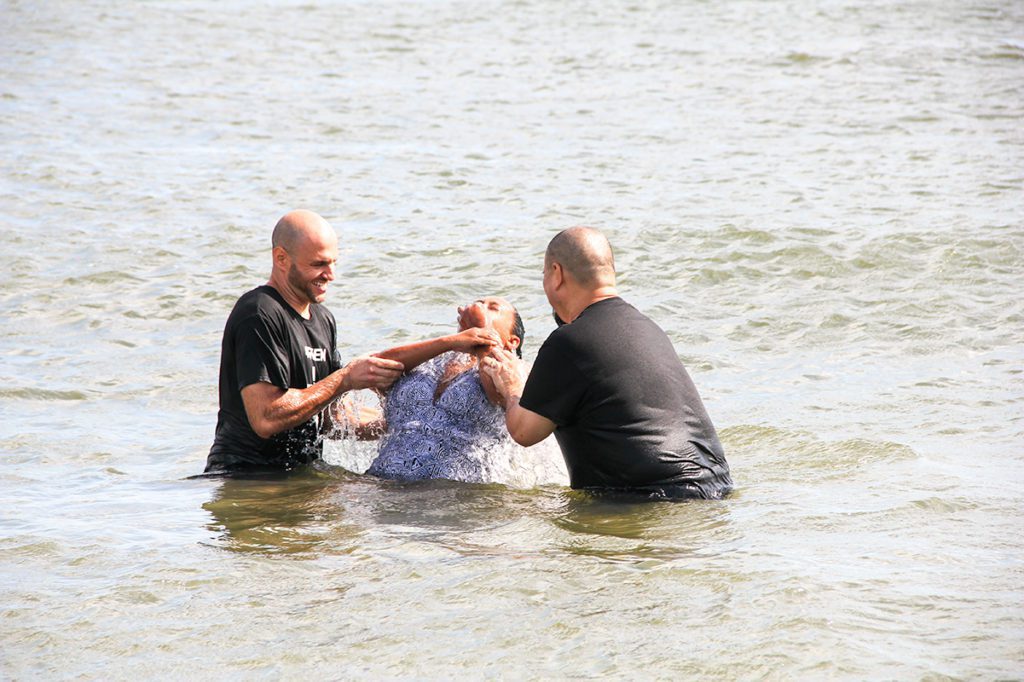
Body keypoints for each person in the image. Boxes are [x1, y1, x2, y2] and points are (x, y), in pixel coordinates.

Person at [481, 226, 732, 499]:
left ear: (557, 274)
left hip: (655, 498)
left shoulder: (569, 341)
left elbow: (523, 431)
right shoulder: (648, 328)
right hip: (716, 489)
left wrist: (512, 386)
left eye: (544, 274)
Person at [203, 209, 410, 475]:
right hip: (246, 477)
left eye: (334, 262)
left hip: (300, 475)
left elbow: (331, 417)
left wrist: (400, 424)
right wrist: (346, 378)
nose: (330, 274)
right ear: (281, 258)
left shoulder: (324, 319)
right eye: (318, 264)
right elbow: (266, 418)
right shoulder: (259, 312)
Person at [347, 296, 567, 486]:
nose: (481, 307)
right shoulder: (432, 359)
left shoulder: (516, 372)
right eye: (479, 304)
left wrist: (482, 334)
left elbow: (499, 393)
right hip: (384, 481)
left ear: (512, 341)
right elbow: (374, 367)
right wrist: (450, 342)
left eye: (493, 308)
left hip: (456, 495)